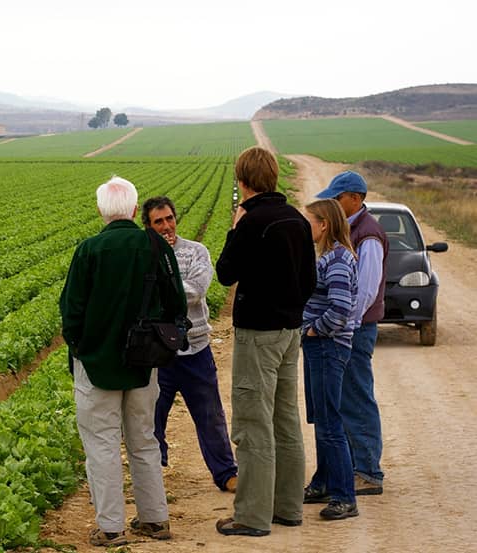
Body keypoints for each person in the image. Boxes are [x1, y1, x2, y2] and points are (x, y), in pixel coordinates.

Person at [59, 176, 188, 547]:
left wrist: (82, 346)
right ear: (135, 210)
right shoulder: (156, 246)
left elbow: (71, 311)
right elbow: (177, 303)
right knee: (144, 440)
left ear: (102, 211)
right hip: (144, 363)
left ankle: (111, 527)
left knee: (101, 444)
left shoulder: (89, 250)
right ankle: (154, 519)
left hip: (96, 363)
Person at [214, 146, 316, 536]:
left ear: (242, 180)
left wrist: (234, 228)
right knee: (285, 419)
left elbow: (225, 273)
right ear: (273, 176)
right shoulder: (297, 219)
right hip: (291, 333)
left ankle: (252, 516)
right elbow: (310, 282)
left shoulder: (253, 223)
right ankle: (288, 507)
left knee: (254, 423)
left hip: (258, 335)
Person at [141, 195, 238, 493]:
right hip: (158, 353)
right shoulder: (142, 255)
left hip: (195, 347)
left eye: (169, 218)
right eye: (159, 221)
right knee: (151, 418)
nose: (167, 225)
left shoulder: (196, 252)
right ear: (148, 226)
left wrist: (161, 280)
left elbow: (195, 292)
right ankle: (153, 474)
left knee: (210, 415)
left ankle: (226, 473)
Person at [313, 171, 388, 496]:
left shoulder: (367, 234)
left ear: (355, 198)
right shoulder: (353, 231)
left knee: (356, 397)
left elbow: (366, 291)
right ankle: (350, 468)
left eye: (337, 198)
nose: (333, 203)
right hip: (349, 328)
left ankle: (368, 471)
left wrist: (343, 326)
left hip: (355, 329)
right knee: (342, 399)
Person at [301, 199, 360, 520]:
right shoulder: (328, 255)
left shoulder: (336, 258)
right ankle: (323, 483)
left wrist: (312, 331)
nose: (305, 226)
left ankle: (344, 496)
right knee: (322, 418)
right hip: (321, 346)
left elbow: (339, 308)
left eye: (308, 220)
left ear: (323, 224)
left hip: (327, 346)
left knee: (330, 423)